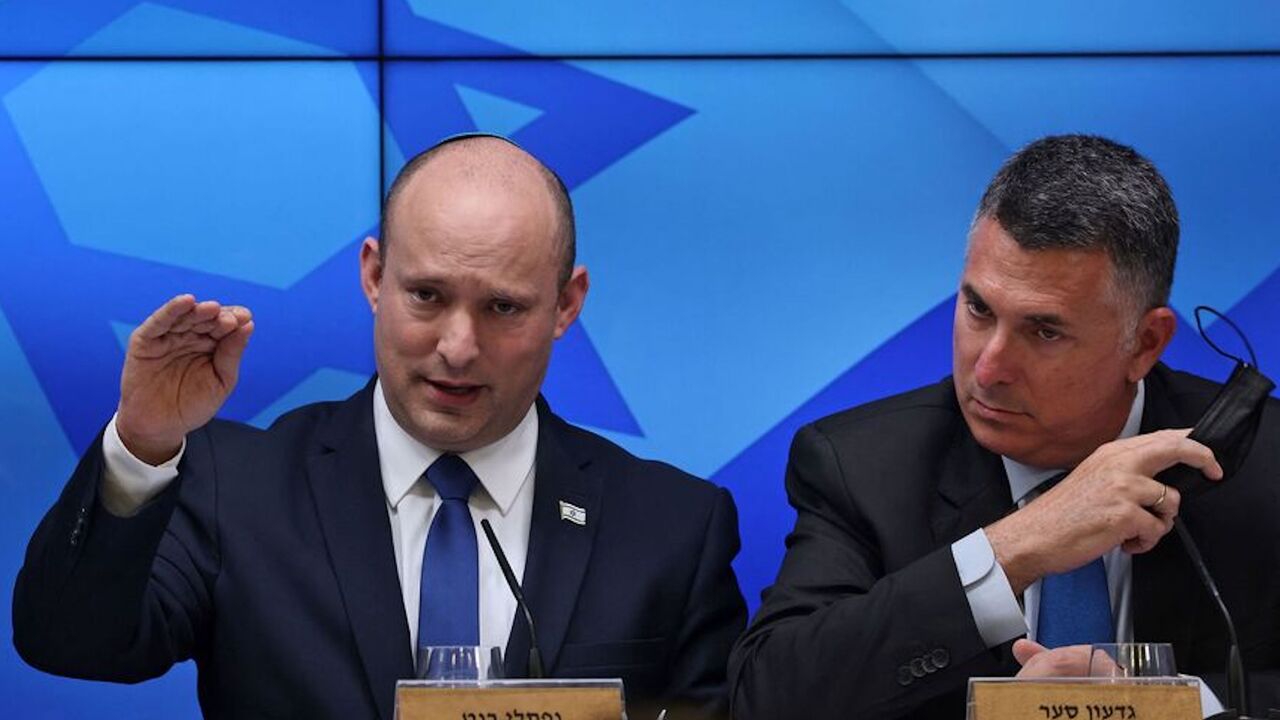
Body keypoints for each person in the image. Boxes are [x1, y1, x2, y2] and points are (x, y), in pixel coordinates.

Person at [14, 134, 747, 720]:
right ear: (373, 276)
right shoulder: (235, 488)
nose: (457, 346)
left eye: (503, 308)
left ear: (566, 304)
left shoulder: (671, 528)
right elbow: (72, 646)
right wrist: (142, 444)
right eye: (426, 295)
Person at [728, 134, 1280, 719]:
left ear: (1144, 344)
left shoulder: (1264, 465)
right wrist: (1010, 549)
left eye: (1044, 332)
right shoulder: (861, 466)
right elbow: (767, 696)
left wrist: (1176, 707)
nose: (988, 369)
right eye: (978, 309)